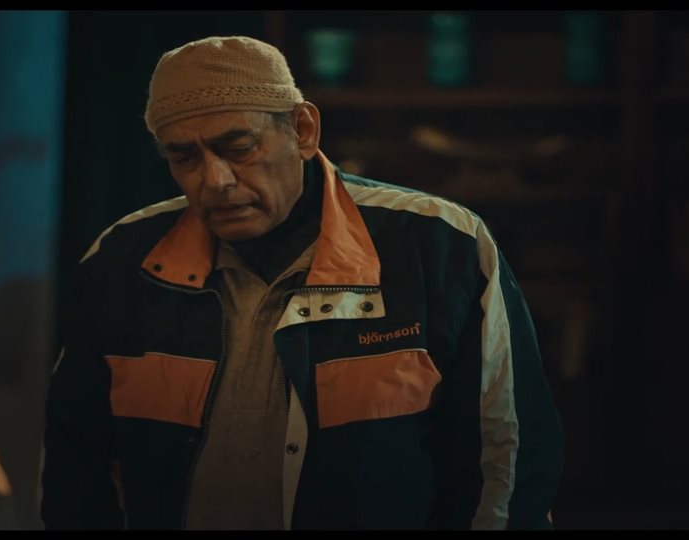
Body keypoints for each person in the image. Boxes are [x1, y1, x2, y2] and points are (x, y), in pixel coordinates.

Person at [39, 35, 563, 530]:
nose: (215, 180)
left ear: (303, 130)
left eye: (238, 147)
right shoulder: (123, 260)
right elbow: (74, 459)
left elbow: (504, 458)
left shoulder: (439, 245)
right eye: (184, 157)